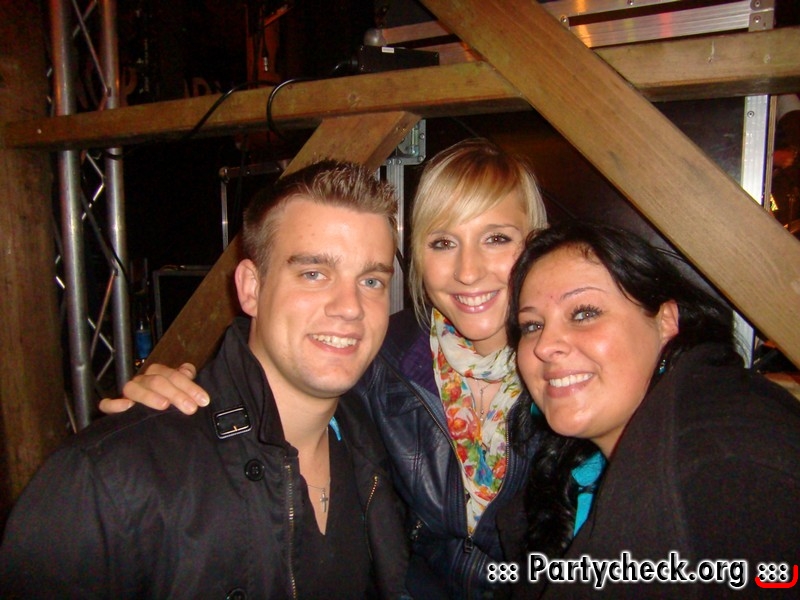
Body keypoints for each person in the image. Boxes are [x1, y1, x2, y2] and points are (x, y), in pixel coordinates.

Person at [102, 139, 602, 598]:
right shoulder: (378, 356)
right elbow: (277, 386)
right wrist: (177, 400)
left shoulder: (578, 365)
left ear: (535, 243)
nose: (468, 271)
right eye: (443, 243)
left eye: (496, 238)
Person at [0, 160, 410, 599]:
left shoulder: (379, 440)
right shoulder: (110, 478)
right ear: (251, 288)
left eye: (371, 281)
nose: (349, 307)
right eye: (313, 274)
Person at [499, 220, 800, 598]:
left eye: (584, 313)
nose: (545, 346)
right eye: (531, 325)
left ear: (666, 321)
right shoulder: (579, 467)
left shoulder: (725, 467)